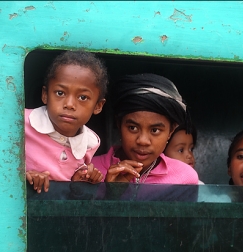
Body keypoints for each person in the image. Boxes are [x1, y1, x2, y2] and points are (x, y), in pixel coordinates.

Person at [92, 73, 199, 185]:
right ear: (119, 124)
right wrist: (111, 194)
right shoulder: (90, 172)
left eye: (155, 130)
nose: (143, 141)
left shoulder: (185, 178)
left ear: (171, 131)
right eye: (133, 128)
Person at [25, 50, 108, 193]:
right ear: (45, 95)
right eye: (60, 93)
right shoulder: (20, 123)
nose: (69, 104)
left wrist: (80, 179)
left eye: (82, 97)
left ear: (98, 106)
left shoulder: (90, 143)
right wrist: (22, 178)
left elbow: (68, 184)